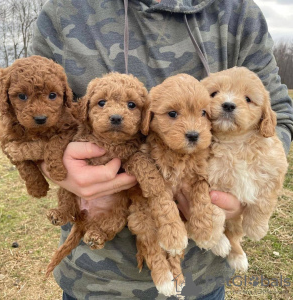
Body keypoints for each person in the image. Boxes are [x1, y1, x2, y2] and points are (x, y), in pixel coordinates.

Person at [29, 0, 293, 299]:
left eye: (204, 112)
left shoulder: (239, 13)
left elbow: (278, 114)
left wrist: (250, 177)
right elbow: (30, 113)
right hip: (94, 277)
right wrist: (52, 164)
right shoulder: (66, 10)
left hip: (201, 277)